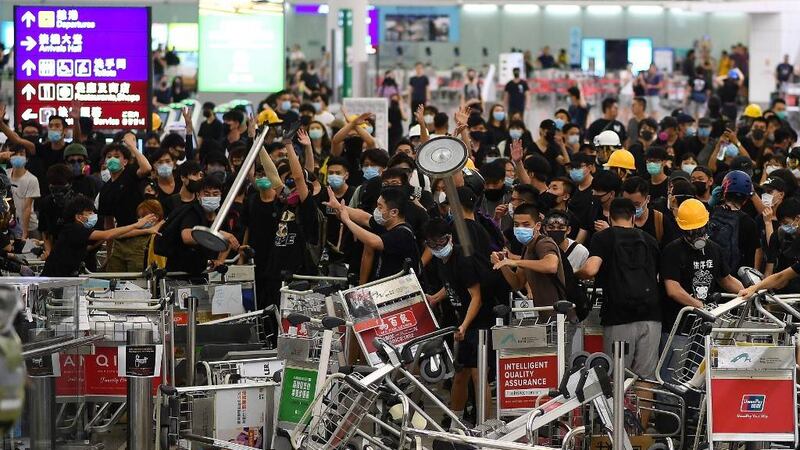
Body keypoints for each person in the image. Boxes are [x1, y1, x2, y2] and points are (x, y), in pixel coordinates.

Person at [576, 198, 661, 379]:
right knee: (646, 378)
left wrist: (574, 274)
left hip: (618, 316)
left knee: (616, 376)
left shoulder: (603, 237)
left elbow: (591, 269)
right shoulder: (650, 240)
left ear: (609, 217)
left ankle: (619, 408)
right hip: (651, 315)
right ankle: (643, 409)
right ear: (633, 217)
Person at [424, 218, 494, 423]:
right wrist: (436, 298)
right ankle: (456, 422)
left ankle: (484, 426)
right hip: (465, 323)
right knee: (460, 374)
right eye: (432, 244)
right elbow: (453, 284)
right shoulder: (442, 260)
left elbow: (477, 297)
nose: (438, 247)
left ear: (450, 239)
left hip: (482, 323)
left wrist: (464, 325)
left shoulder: (463, 259)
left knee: (478, 375)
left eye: (441, 242)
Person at [662, 199, 744, 331]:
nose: (697, 233)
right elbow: (673, 290)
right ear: (682, 229)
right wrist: (700, 306)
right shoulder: (672, 251)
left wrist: (748, 292)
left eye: (700, 228)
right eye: (691, 230)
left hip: (705, 326)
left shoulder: (714, 249)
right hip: (677, 326)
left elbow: (726, 279)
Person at [42, 195, 156, 277]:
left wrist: (147, 230)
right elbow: (108, 234)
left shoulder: (75, 231)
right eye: (90, 213)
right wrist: (137, 224)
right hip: (54, 278)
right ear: (79, 217)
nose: (93, 216)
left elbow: (113, 234)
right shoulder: (74, 229)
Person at [326, 186, 420, 282]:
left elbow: (373, 241)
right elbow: (365, 218)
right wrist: (338, 206)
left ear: (394, 212)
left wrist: (347, 220)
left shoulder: (403, 234)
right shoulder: (387, 224)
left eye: (380, 207)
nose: (376, 210)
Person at [491, 203, 565, 310]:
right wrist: (502, 263)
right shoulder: (527, 247)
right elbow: (518, 283)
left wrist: (515, 262)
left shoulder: (544, 243)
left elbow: (551, 266)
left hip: (559, 314)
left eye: (526, 225)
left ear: (537, 226)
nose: (520, 229)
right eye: (516, 225)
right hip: (543, 313)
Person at [98, 135, 153, 272]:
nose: (112, 159)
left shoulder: (130, 174)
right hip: (120, 240)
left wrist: (132, 147)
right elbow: (108, 225)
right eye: (109, 156)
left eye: (117, 156)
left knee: (137, 281)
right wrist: (109, 254)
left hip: (140, 237)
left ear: (125, 161)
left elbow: (146, 168)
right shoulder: (105, 189)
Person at [166, 176, 239, 275]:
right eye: (207, 194)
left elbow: (227, 241)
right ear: (198, 195)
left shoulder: (221, 215)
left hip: (205, 271)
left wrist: (220, 261)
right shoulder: (191, 212)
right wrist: (216, 233)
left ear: (221, 195)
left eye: (215, 194)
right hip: (181, 272)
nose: (211, 197)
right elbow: (187, 237)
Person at [5, 144, 40, 240]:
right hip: (9, 225)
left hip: (29, 227)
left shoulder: (32, 179)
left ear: (27, 159)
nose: (18, 156)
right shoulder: (5, 175)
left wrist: (24, 233)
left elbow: (27, 207)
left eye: (21, 154)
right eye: (14, 154)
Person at [622, 176, 665, 245]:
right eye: (627, 203)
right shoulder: (619, 220)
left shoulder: (659, 220)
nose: (631, 208)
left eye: (636, 204)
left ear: (647, 199)